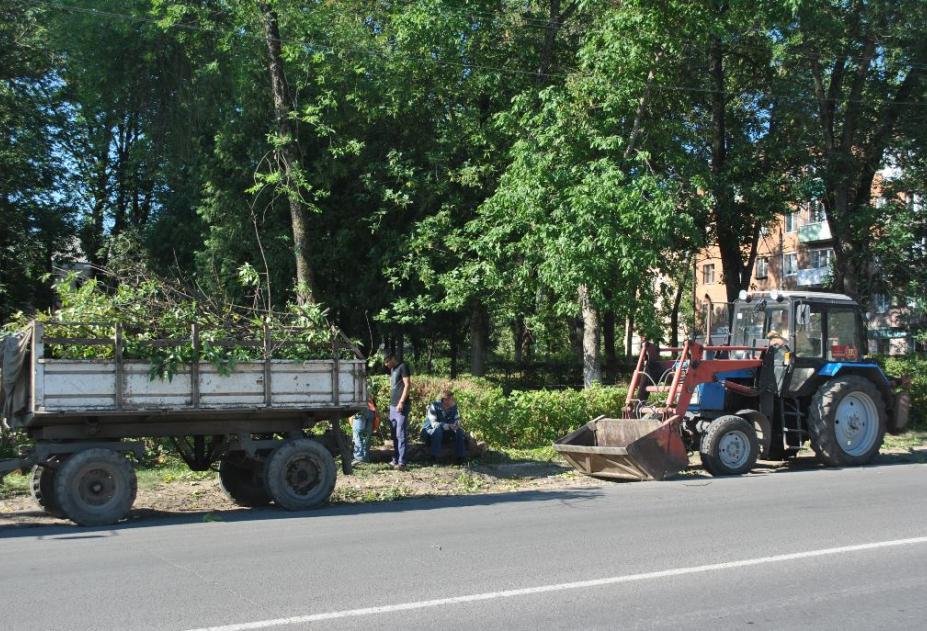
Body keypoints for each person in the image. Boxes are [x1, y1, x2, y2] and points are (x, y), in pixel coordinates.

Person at [421, 388, 467, 464]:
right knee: (438, 429)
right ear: (445, 400)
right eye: (451, 399)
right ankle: (434, 458)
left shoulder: (453, 407)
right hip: (430, 433)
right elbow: (434, 424)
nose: (453, 401)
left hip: (445, 433)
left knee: (460, 431)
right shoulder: (434, 406)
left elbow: (456, 418)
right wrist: (449, 426)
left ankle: (460, 458)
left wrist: (456, 424)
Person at [385, 353, 411, 469]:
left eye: (387, 361)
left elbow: (407, 385)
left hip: (401, 406)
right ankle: (395, 459)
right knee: (394, 434)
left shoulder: (403, 366)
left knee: (400, 434)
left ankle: (402, 462)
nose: (386, 364)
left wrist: (401, 402)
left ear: (393, 358)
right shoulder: (393, 369)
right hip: (392, 406)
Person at [351, 397, 379, 466]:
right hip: (371, 410)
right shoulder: (367, 389)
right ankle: (365, 457)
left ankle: (359, 458)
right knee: (366, 436)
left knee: (358, 435)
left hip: (360, 410)